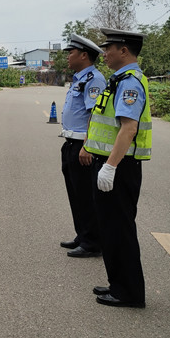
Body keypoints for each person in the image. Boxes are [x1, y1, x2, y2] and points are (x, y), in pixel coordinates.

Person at [83, 28, 151, 308]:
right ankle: (118, 284)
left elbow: (128, 128)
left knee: (120, 229)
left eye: (109, 48)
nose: (105, 53)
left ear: (124, 50)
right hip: (110, 164)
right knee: (110, 228)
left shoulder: (130, 83)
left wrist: (110, 166)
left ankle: (129, 293)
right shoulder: (119, 80)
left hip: (119, 167)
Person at [59, 34, 105, 258]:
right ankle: (82, 235)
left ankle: (92, 242)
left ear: (84, 55)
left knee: (86, 195)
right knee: (76, 194)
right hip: (70, 143)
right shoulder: (80, 78)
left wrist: (87, 146)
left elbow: (94, 115)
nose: (68, 56)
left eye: (71, 52)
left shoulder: (94, 79)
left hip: (82, 145)